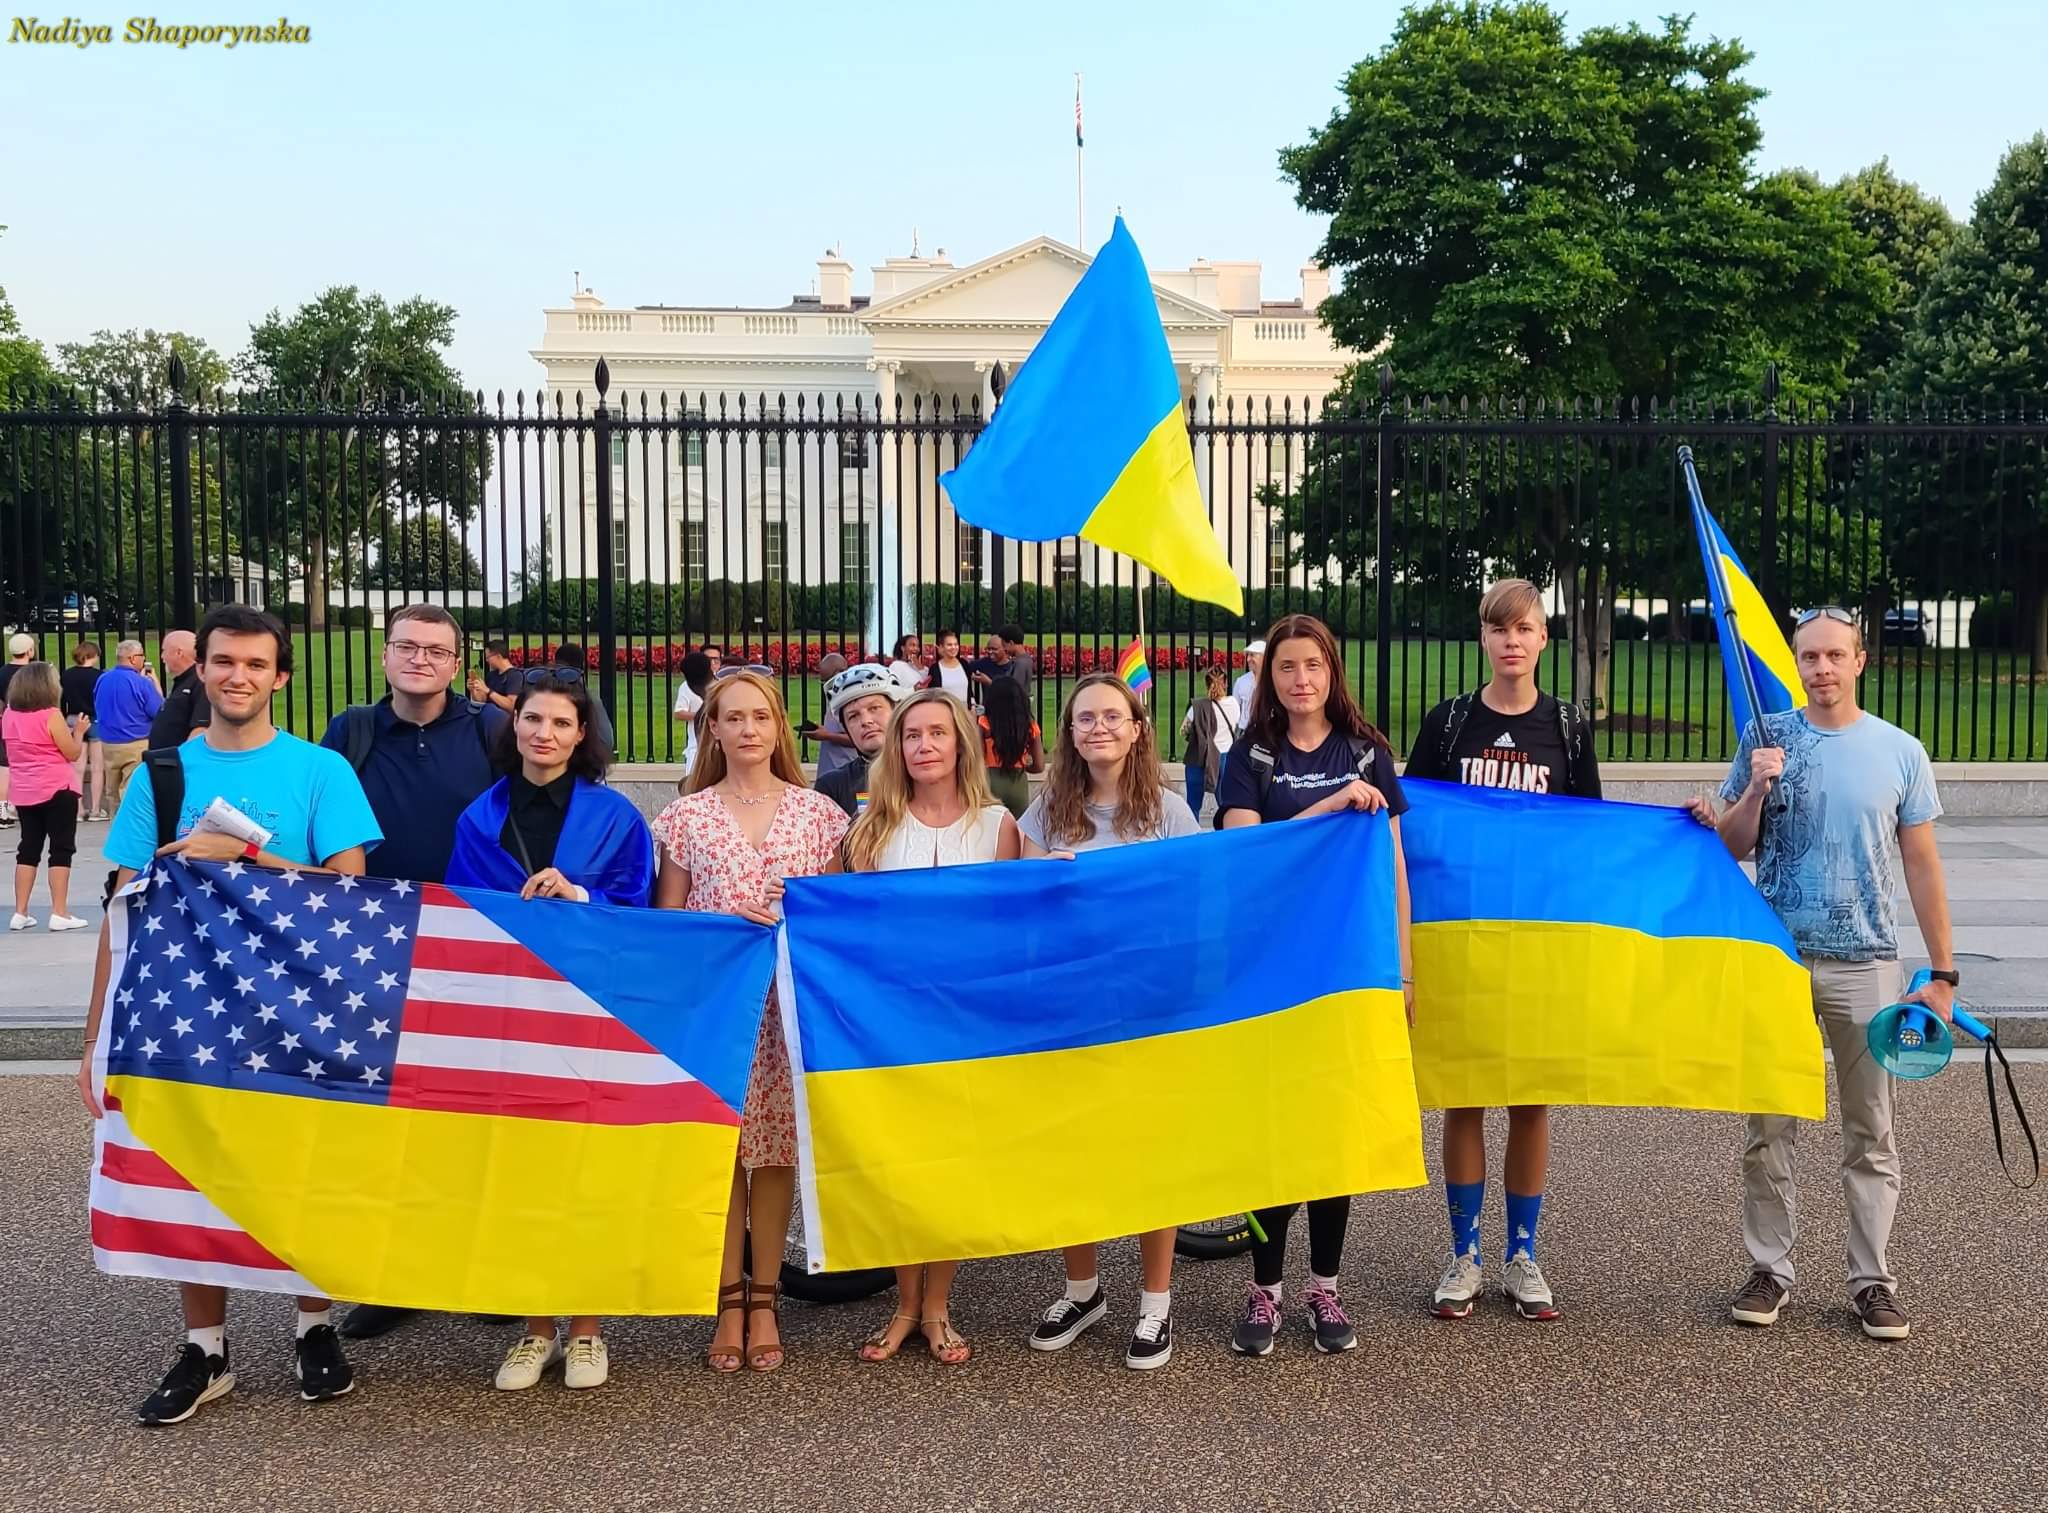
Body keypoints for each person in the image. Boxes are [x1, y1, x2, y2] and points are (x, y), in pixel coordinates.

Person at [79, 605, 383, 1426]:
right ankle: (205, 1346)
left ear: (280, 675)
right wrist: (94, 1036)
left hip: (298, 1007)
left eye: (255, 663)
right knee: (192, 1166)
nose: (237, 676)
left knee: (306, 1165)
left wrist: (249, 857)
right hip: (185, 1008)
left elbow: (351, 898)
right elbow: (122, 907)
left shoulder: (322, 771)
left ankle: (314, 1324)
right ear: (199, 670)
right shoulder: (163, 773)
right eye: (222, 662)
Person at [1693, 607, 1958, 1343]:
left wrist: (1942, 971)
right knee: (1768, 1124)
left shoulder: (1900, 751)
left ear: (1860, 660)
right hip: (1777, 957)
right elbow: (1733, 845)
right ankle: (1768, 1268)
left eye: (1835, 655)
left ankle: (1871, 1279)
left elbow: (1923, 863)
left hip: (1867, 961)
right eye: (1810, 656)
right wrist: (1753, 791)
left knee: (1871, 1127)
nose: (1821, 668)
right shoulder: (1767, 738)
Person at [446, 669, 653, 1392]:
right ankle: (536, 1326)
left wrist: (580, 896)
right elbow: (463, 916)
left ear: (582, 734)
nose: (545, 733)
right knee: (522, 1167)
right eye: (533, 719)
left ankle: (589, 1328)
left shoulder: (615, 816)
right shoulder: (479, 817)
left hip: (590, 1009)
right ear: (516, 726)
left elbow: (639, 909)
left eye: (562, 723)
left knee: (585, 1165)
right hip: (510, 1013)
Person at [1402, 579, 1600, 1324]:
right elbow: (1410, 818)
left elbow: (1590, 828)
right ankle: (1465, 1255)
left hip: (1537, 934)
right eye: (1498, 628)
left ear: (1544, 638)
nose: (1511, 640)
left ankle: (1523, 1252)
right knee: (1463, 1092)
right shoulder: (1451, 722)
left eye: (1525, 628)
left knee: (1530, 1096)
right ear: (1483, 638)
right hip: (1462, 932)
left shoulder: (1569, 728)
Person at [1217, 613, 1413, 1357]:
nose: (1301, 679)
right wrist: (1332, 803)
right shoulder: (1252, 755)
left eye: (1314, 665)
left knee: (1333, 1134)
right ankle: (1264, 1286)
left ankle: (1324, 1285)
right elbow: (1244, 847)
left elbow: (1393, 867)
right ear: (1270, 678)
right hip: (1270, 968)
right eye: (1287, 667)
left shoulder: (1367, 752)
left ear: (1333, 672)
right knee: (1275, 1134)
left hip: (1351, 970)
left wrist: (1402, 970)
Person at [318, 603, 509, 1341]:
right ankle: (398, 1275)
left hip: (480, 941)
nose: (420, 659)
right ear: (386, 654)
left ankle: (488, 1266)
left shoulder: (491, 731)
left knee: (480, 1107)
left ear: (457, 663)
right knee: (393, 1114)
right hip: (379, 940)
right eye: (407, 645)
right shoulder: (351, 731)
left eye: (436, 649)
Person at [652, 672, 849, 1374]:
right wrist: (718, 926)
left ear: (778, 727)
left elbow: (834, 912)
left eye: (759, 716)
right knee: (724, 1150)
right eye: (731, 717)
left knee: (775, 1153)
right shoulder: (686, 816)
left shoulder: (819, 812)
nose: (746, 729)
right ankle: (726, 1296)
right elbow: (667, 918)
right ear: (712, 729)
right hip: (719, 1001)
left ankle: (764, 1297)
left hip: (789, 1006)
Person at [1019, 673, 1199, 1368]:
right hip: (1071, 1000)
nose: (1098, 726)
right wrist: (1043, 878)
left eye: (1112, 716)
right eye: (1085, 716)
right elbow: (1018, 908)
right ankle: (1084, 1287)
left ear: (1136, 729)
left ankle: (1156, 1301)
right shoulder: (1044, 814)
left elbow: (1193, 906)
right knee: (1078, 1145)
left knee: (1151, 1147)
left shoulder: (1172, 813)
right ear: (1069, 731)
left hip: (1149, 1001)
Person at [844, 690, 1020, 1366]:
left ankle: (938, 1305)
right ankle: (904, 1304)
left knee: (948, 1163)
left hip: (964, 1020)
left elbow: (1013, 921)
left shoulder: (996, 824)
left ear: (959, 744)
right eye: (910, 733)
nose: (923, 744)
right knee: (898, 1164)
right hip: (890, 1019)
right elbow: (844, 919)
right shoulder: (873, 827)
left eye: (936, 733)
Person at [6, 662, 89, 931]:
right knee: (61, 848)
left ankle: (20, 912)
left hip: (24, 790)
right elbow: (72, 753)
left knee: (28, 848)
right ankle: (59, 912)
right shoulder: (52, 715)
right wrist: (78, 732)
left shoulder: (8, 715)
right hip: (56, 788)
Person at [813, 663, 908, 818]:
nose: (866, 721)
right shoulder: (833, 786)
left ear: (897, 711)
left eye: (874, 708)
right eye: (853, 716)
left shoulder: (925, 771)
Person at [93, 640, 163, 814]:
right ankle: (131, 831)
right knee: (132, 792)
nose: (144, 660)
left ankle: (115, 828)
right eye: (141, 656)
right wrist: (155, 684)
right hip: (136, 742)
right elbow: (158, 711)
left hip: (108, 743)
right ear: (133, 659)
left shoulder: (103, 679)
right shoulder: (141, 683)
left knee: (112, 792)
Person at [978, 675, 1044, 819]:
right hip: (1018, 782)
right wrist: (1024, 766)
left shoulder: (985, 723)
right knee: (1018, 830)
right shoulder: (1030, 726)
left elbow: (976, 756)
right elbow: (1039, 766)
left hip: (991, 781)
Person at [1178, 665, 1237, 822]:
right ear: (1225, 683)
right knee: (1225, 802)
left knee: (1193, 804)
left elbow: (1183, 730)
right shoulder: (1233, 704)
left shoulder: (1197, 707)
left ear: (1206, 684)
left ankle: (1193, 836)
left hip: (1199, 756)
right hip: (1224, 757)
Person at [61, 642, 106, 819]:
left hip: (73, 717)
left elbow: (63, 698)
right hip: (94, 718)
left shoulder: (67, 675)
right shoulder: (99, 676)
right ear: (93, 655)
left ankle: (78, 809)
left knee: (76, 767)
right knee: (97, 766)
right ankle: (95, 809)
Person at [147, 629, 211, 751]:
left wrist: (184, 762)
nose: (161, 657)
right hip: (164, 762)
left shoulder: (200, 682)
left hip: (178, 765)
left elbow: (201, 729)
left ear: (179, 653)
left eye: (164, 651)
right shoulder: (183, 681)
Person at [547, 642, 615, 755]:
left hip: (584, 757)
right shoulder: (590, 696)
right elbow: (607, 741)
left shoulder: (555, 692)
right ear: (582, 665)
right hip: (598, 754)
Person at [0, 631, 38, 826]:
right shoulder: (34, 673)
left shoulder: (2, 672)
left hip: (8, 720)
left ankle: (3, 808)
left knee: (5, 765)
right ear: (29, 650)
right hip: (32, 722)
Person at [809, 652, 860, 780]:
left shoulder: (853, 700)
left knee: (861, 800)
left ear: (839, 673)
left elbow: (859, 739)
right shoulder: (834, 696)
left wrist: (827, 736)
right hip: (830, 774)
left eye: (827, 680)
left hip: (850, 777)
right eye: (823, 681)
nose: (826, 685)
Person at [671, 650, 714, 776]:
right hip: (696, 750)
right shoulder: (686, 687)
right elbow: (678, 713)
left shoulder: (723, 687)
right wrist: (701, 716)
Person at [466, 638, 521, 714]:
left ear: (498, 656)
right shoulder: (491, 675)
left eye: (488, 657)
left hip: (504, 720)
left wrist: (488, 691)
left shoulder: (515, 676)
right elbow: (482, 700)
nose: (487, 660)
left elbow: (511, 706)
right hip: (489, 716)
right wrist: (474, 690)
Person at [928, 628, 972, 703]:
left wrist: (973, 707)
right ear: (941, 647)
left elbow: (969, 690)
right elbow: (933, 694)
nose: (953, 647)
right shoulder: (935, 668)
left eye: (956, 644)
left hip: (964, 711)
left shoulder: (964, 664)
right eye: (949, 645)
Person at [1232, 640, 1265, 733]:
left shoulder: (1274, 681)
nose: (1248, 659)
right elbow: (1234, 709)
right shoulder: (1241, 681)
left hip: (1266, 733)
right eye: (1248, 655)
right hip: (1245, 732)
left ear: (1264, 657)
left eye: (1252, 655)